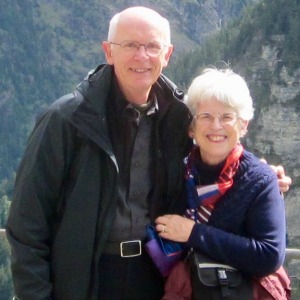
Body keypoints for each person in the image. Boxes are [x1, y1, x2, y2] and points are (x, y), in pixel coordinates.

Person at [6, 6, 291, 300]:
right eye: (130, 45)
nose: (141, 56)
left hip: (155, 276)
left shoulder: (178, 118)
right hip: (83, 278)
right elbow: (27, 224)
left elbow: (216, 145)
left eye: (152, 47)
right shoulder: (67, 121)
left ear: (167, 55)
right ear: (108, 51)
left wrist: (260, 174)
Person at [155, 68, 291, 299]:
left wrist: (194, 233)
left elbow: (269, 255)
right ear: (191, 127)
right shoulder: (176, 172)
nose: (216, 126)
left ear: (243, 125)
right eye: (205, 116)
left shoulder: (260, 180)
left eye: (227, 117)